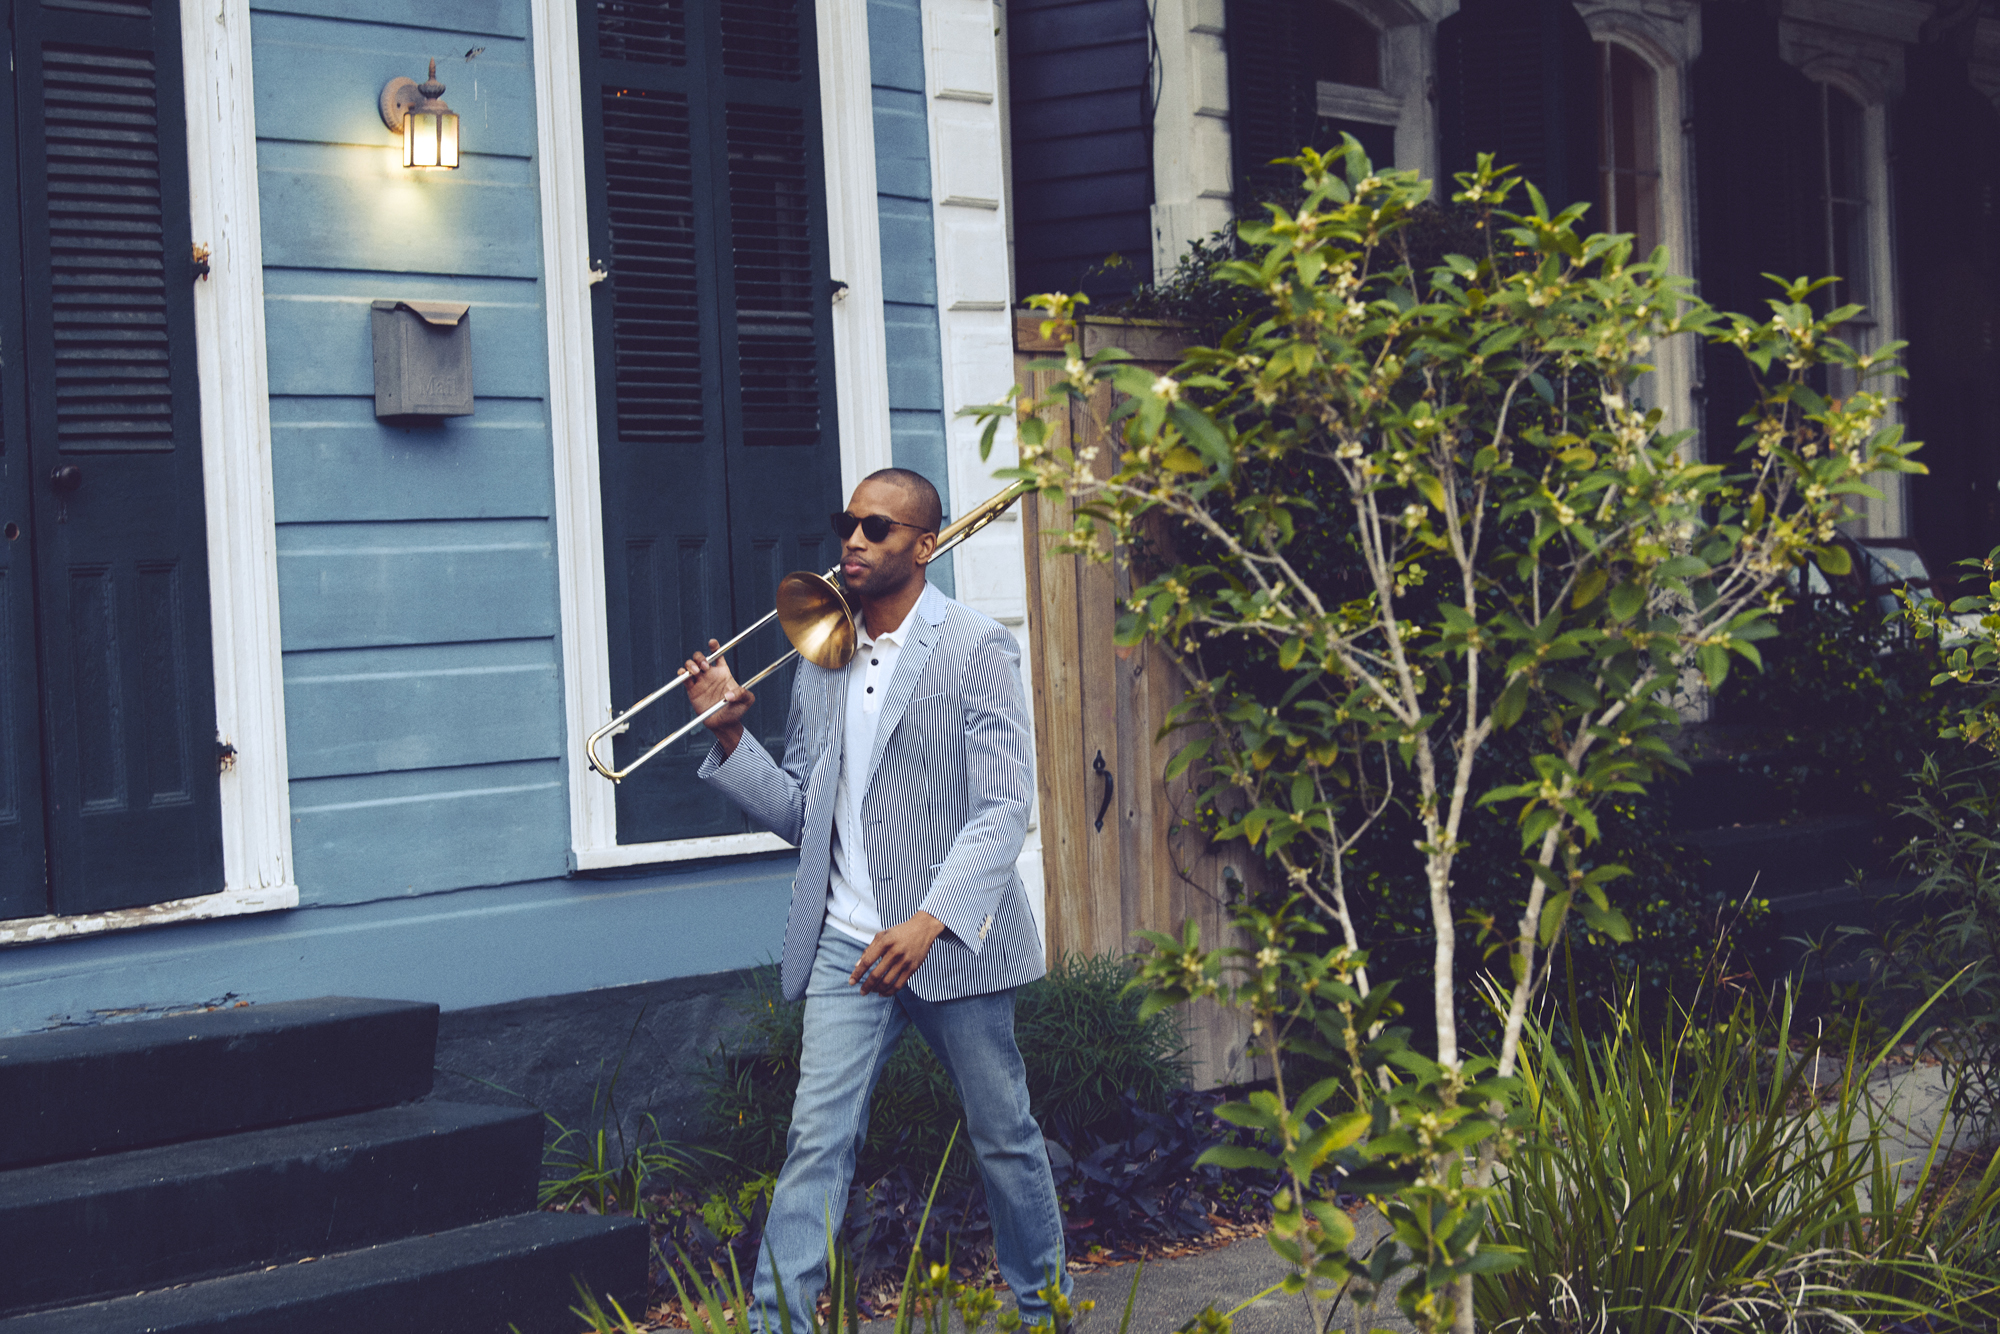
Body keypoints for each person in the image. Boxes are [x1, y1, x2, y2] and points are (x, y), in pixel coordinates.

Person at [683, 467, 1069, 1333]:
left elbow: (1005, 806)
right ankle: (774, 1323)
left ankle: (1047, 1313)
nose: (853, 540)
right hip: (845, 944)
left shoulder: (976, 646)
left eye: (878, 528)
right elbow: (799, 812)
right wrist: (731, 735)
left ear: (923, 546)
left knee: (1005, 1139)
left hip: (952, 944)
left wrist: (931, 921)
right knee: (816, 1145)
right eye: (847, 524)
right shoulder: (821, 656)